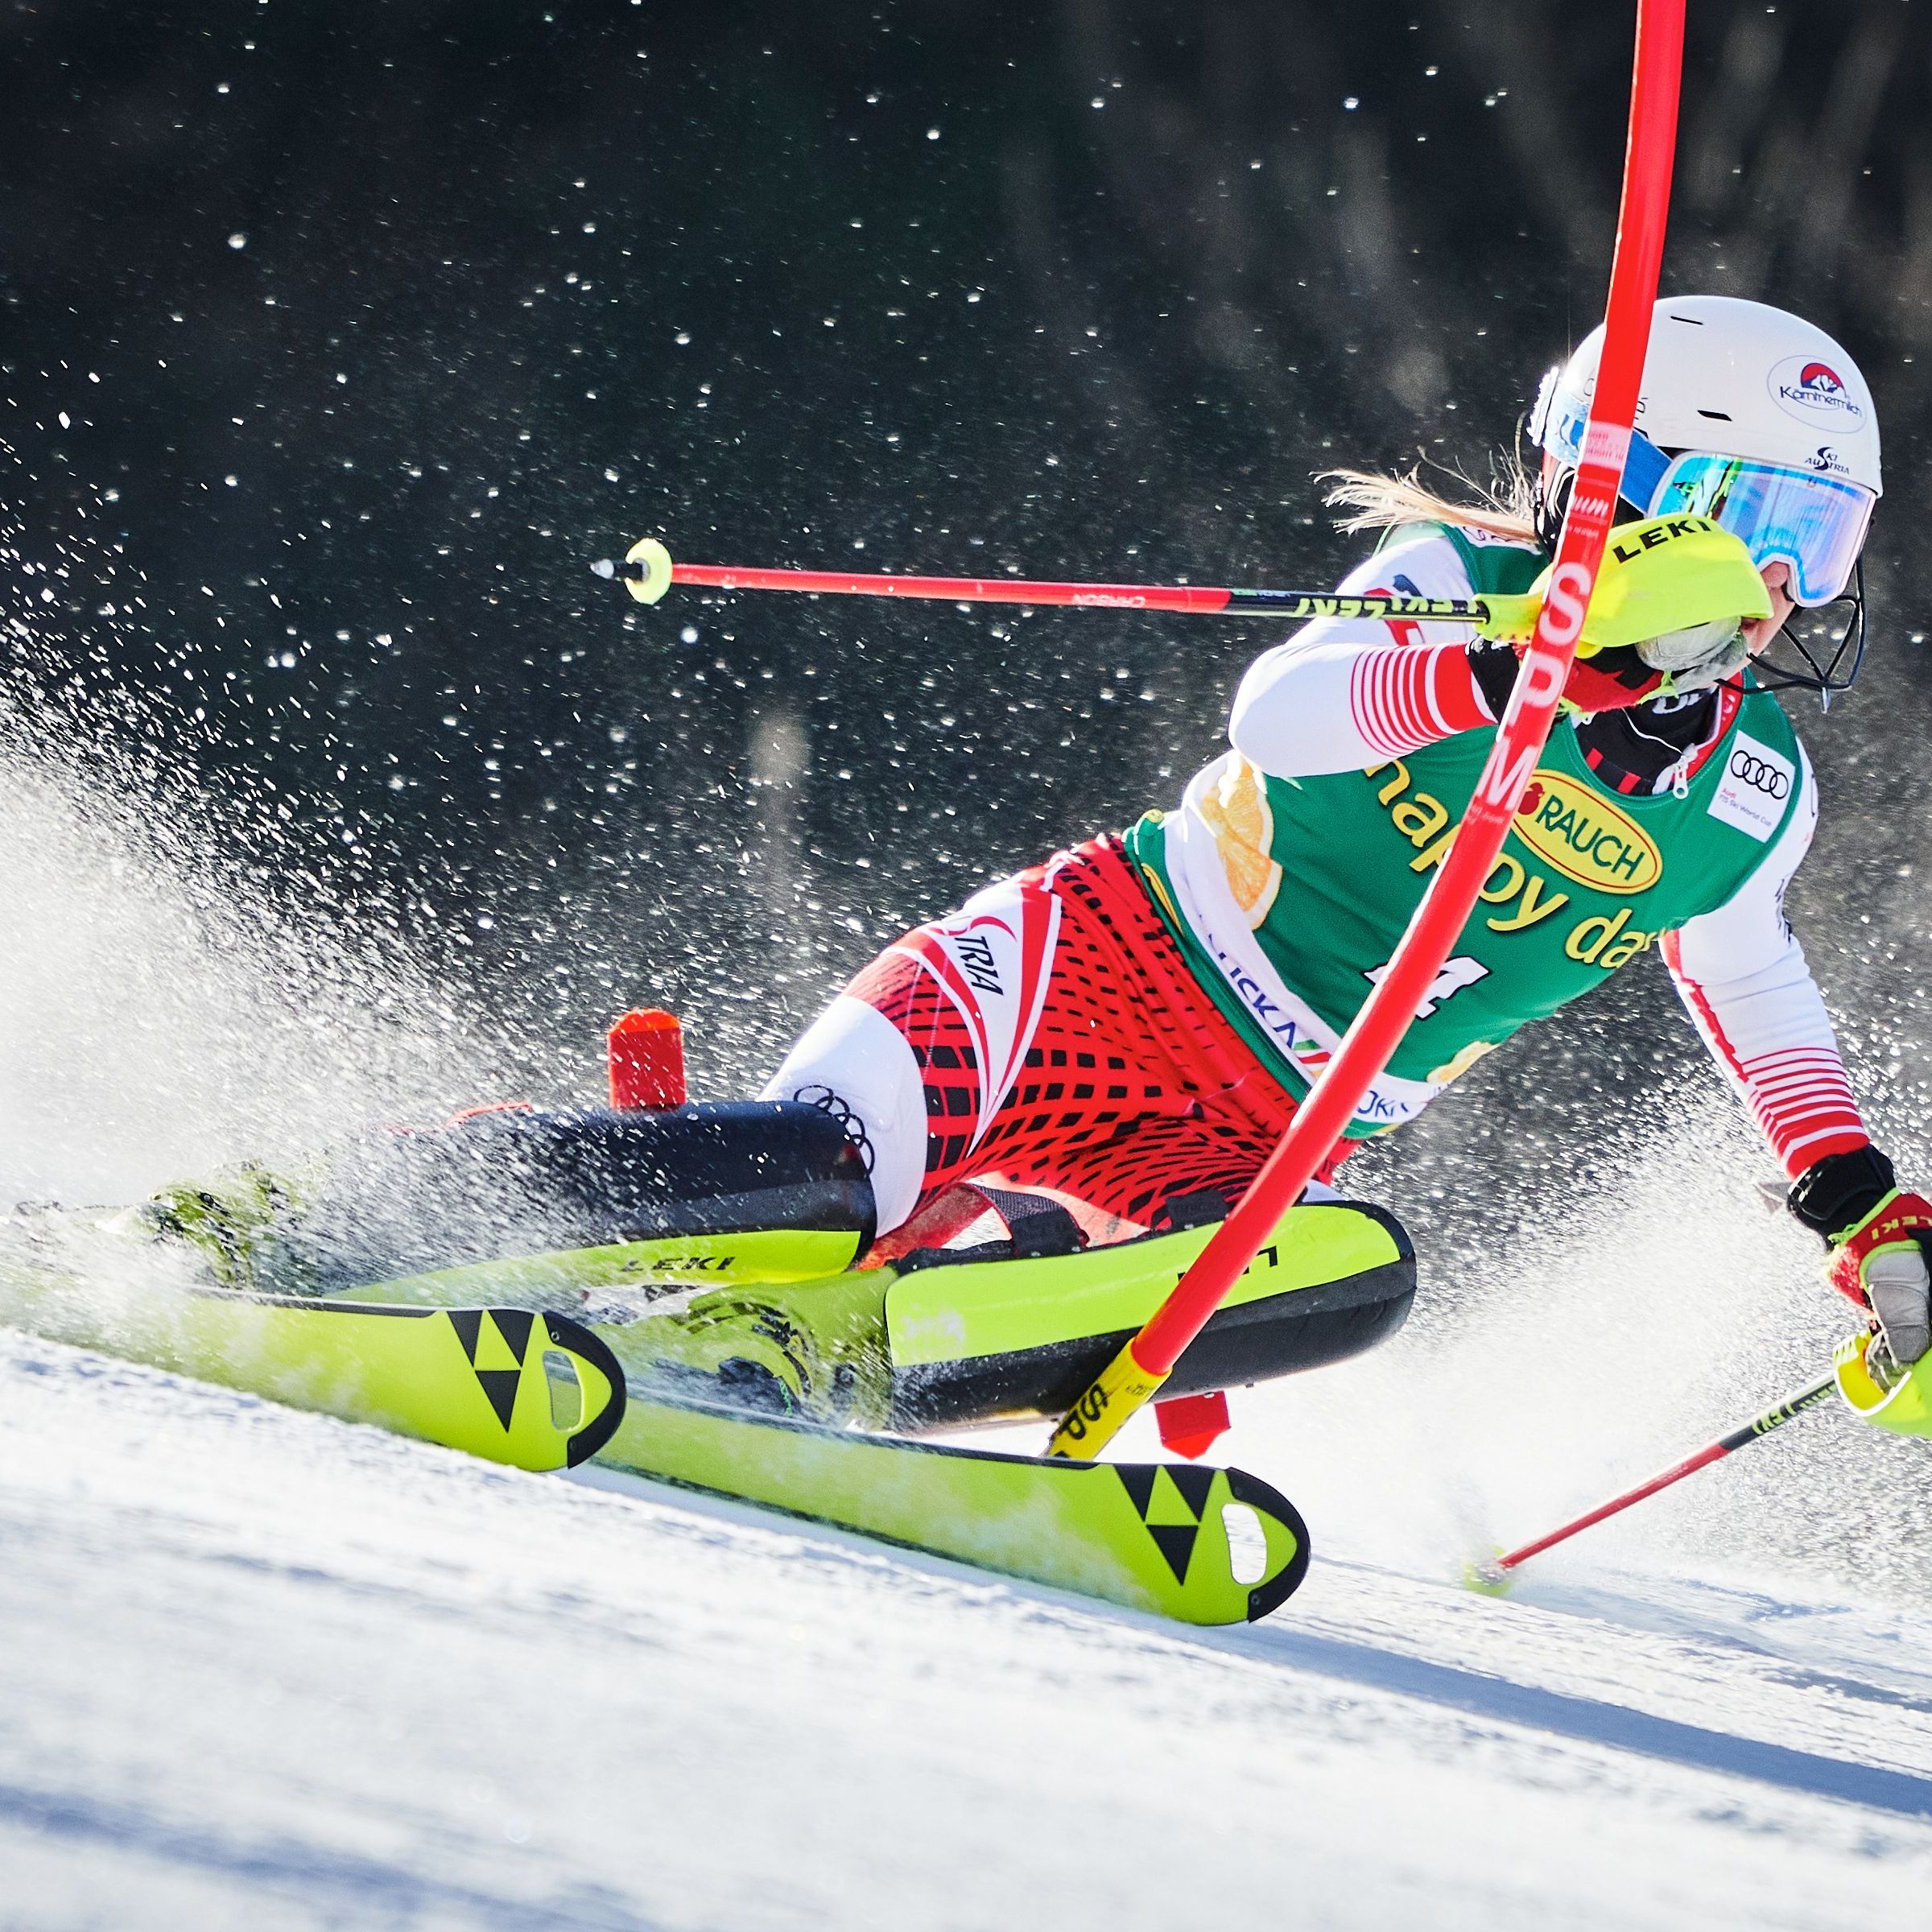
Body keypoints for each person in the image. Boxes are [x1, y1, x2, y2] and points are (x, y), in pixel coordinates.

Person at [120, 295, 1932, 1435]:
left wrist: (1856, 1201)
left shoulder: (1753, 792)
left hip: (1266, 1121)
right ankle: (309, 1221)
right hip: (1090, 969)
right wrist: (1517, 675)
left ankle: (833, 1360)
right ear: (1640, 503)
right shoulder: (1457, 602)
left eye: (1824, 540)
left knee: (1344, 1278)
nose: (1795, 588)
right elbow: (1290, 718)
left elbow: (1747, 972)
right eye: (1768, 524)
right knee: (814, 1173)